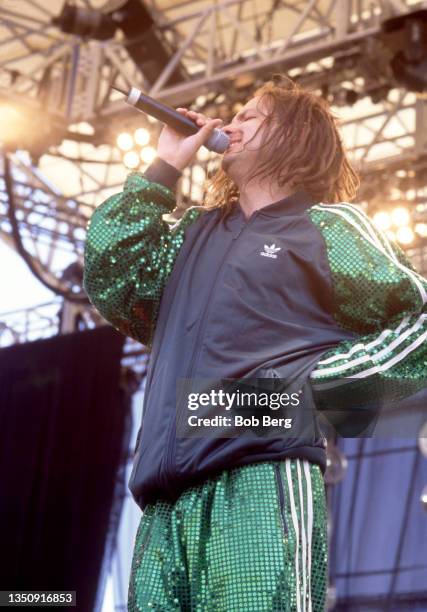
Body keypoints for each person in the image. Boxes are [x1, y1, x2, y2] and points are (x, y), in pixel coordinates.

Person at [83, 75, 427, 611]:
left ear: (292, 136)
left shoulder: (325, 227)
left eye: (249, 116)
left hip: (260, 480)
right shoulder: (192, 237)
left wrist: (312, 391)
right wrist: (164, 166)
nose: (228, 124)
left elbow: (418, 322)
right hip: (163, 500)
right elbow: (113, 274)